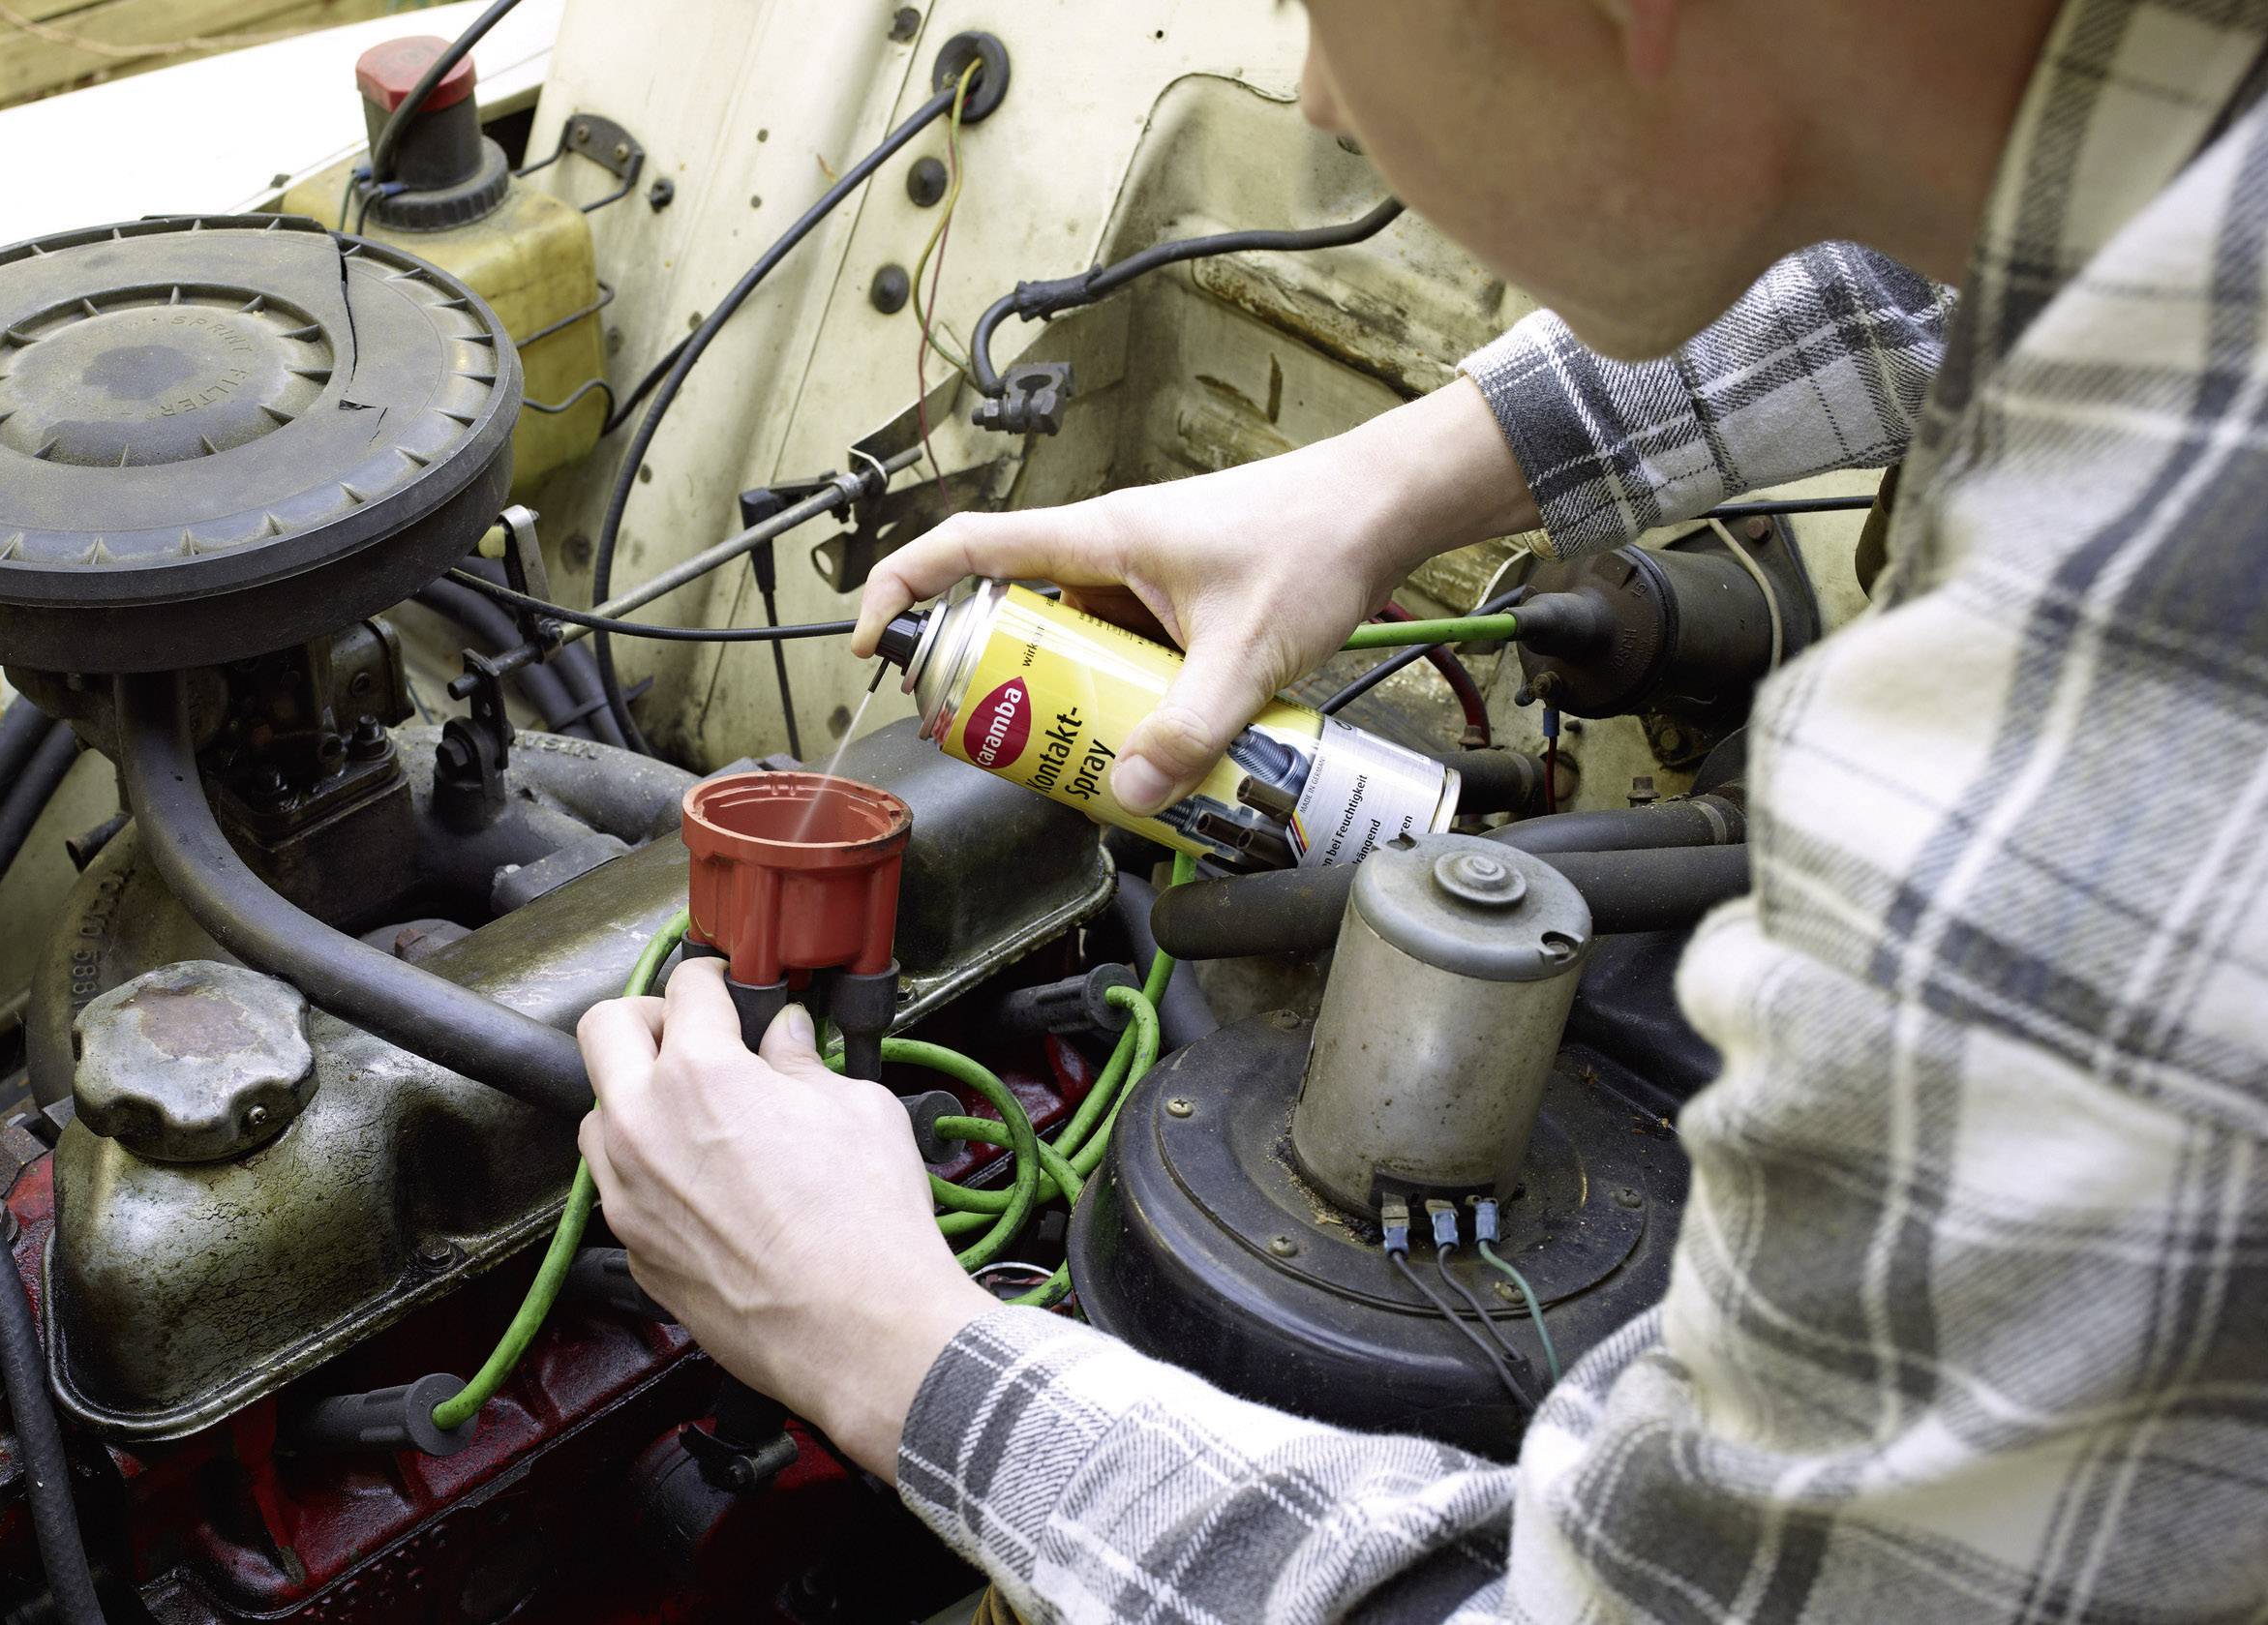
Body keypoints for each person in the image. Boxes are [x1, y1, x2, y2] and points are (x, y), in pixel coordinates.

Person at [574, 0, 2268, 1617]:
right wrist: (1378, 484)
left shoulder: (2101, 782)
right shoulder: (2174, 146)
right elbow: (1927, 244)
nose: (1313, 94)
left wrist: (878, 1339)